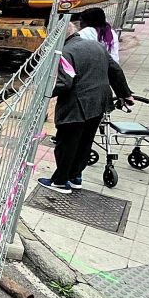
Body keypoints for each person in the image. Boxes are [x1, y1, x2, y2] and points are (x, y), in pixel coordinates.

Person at [38, 20, 133, 194]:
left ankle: (59, 181)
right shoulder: (96, 46)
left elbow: (65, 83)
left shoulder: (65, 53)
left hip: (76, 105)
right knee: (85, 142)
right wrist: (125, 94)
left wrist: (43, 94)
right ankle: (76, 177)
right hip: (99, 104)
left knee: (66, 144)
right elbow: (115, 71)